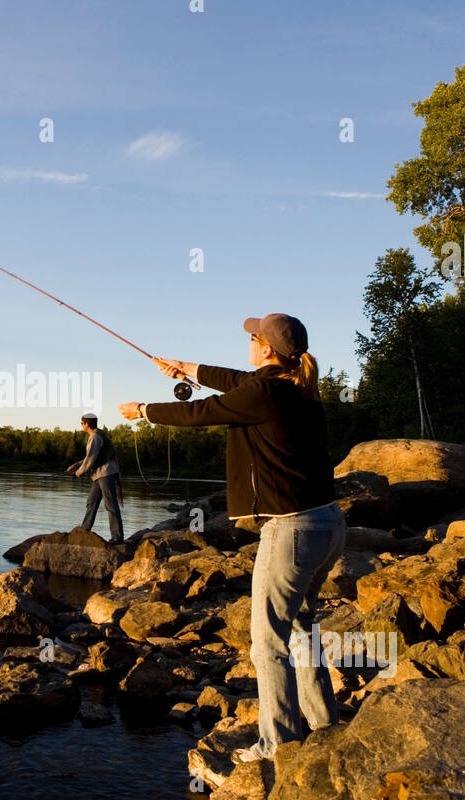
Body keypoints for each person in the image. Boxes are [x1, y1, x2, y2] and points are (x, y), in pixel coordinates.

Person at [117, 313, 344, 764]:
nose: (248, 342)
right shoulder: (295, 387)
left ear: (264, 349)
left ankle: (277, 742)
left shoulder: (261, 393)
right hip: (328, 525)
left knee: (267, 643)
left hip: (292, 531)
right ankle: (323, 725)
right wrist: (186, 368)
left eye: (253, 337)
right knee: (300, 629)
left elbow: (201, 412)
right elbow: (236, 380)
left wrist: (143, 411)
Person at [65, 412, 125, 545]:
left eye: (81, 423)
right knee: (91, 502)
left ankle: (117, 537)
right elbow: (91, 457)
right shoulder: (97, 435)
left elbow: (90, 460)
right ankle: (85, 529)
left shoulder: (95, 437)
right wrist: (76, 465)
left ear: (86, 424)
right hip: (100, 474)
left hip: (105, 474)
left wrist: (78, 473)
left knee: (110, 505)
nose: (81, 425)